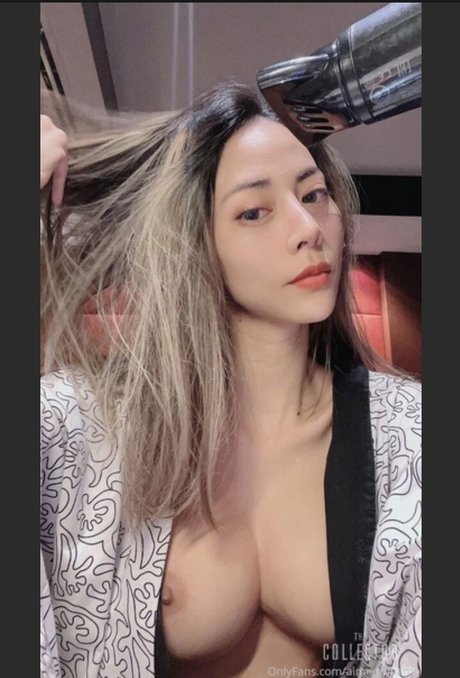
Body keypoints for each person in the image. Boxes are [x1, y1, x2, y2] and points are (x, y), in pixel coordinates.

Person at [40, 82, 421, 678]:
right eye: (253, 211)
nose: (307, 227)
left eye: (314, 194)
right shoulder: (83, 427)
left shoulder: (413, 435)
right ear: (195, 243)